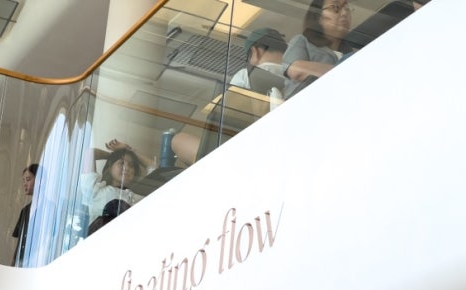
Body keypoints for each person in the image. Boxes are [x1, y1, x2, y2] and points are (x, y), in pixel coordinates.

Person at [171, 28, 288, 167]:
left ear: (255, 52)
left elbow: (226, 116)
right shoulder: (299, 78)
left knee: (178, 140)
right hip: (281, 148)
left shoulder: (245, 76)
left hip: (243, 156)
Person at [282, 0, 353, 98]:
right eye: (335, 7)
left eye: (347, 8)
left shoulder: (352, 54)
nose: (344, 13)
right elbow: (296, 70)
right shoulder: (302, 41)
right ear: (318, 17)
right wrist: (344, 72)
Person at [80, 140, 150, 225]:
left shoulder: (139, 196)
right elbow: (90, 154)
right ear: (110, 167)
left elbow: (156, 169)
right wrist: (114, 156)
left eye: (131, 165)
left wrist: (129, 149)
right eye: (121, 163)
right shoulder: (95, 190)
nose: (127, 168)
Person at [12, 163, 40, 266]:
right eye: (24, 180)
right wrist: (13, 263)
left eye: (28, 179)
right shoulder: (25, 210)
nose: (24, 184)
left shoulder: (49, 208)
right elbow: (19, 242)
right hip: (21, 264)